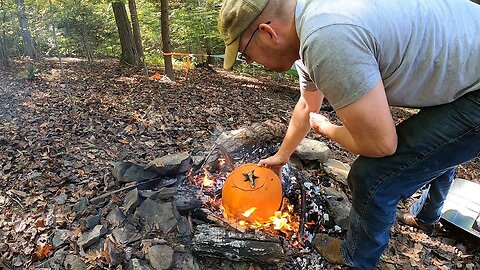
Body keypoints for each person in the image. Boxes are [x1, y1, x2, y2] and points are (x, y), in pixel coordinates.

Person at [217, 0, 480, 269]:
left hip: (476, 89)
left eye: (244, 53)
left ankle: (356, 258)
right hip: (465, 72)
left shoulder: (327, 36)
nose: (249, 61)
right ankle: (427, 215)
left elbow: (380, 145)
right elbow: (308, 104)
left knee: (372, 176)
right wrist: (282, 155)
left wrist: (325, 129)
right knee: (436, 145)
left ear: (267, 33)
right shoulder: (311, 24)